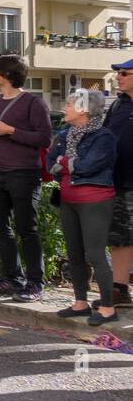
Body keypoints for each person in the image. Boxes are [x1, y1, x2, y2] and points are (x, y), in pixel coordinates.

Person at [0, 54, 52, 301]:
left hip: (24, 174)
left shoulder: (34, 103)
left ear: (7, 74)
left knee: (26, 229)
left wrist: (8, 130)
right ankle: (11, 277)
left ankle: (35, 283)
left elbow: (44, 139)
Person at [50, 90, 119, 325]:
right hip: (69, 199)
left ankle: (108, 308)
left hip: (95, 201)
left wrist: (66, 162)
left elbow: (89, 166)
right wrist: (68, 163)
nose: (64, 107)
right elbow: (51, 163)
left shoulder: (103, 137)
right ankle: (80, 303)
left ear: (83, 110)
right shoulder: (64, 135)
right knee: (74, 253)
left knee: (96, 255)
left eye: (69, 104)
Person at [103, 57, 133, 308]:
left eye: (124, 73)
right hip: (120, 182)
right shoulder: (117, 105)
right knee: (120, 237)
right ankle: (120, 289)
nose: (118, 77)